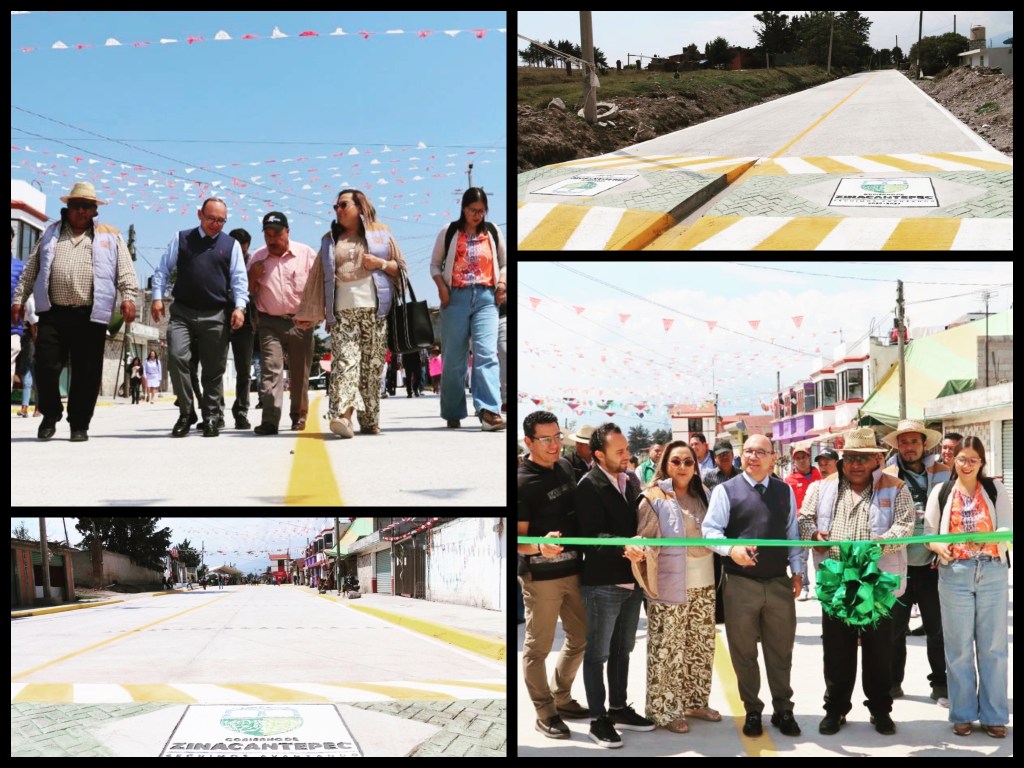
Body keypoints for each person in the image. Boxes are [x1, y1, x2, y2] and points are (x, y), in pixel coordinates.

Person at [799, 427, 915, 736]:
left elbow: (905, 526)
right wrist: (814, 535)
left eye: (863, 459)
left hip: (877, 582)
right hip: (836, 581)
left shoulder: (895, 487)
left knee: (879, 651)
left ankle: (880, 710)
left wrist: (883, 542)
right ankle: (835, 710)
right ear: (842, 460)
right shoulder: (820, 488)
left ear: (877, 459)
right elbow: (804, 520)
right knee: (837, 651)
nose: (856, 465)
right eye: (850, 458)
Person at [12, 182, 138, 442]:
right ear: (67, 208)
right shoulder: (50, 233)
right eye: (76, 206)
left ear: (94, 210)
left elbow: (125, 271)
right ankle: (50, 414)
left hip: (90, 315)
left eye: (86, 207)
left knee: (87, 372)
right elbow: (30, 270)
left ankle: (79, 423)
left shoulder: (109, 236)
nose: (81, 211)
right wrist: (18, 299)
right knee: (45, 365)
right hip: (53, 313)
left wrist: (128, 297)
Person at [702, 434, 804, 738]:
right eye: (747, 451)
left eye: (761, 452)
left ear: (773, 458)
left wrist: (797, 572)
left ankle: (784, 709)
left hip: (778, 582)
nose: (753, 456)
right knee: (743, 652)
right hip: (740, 584)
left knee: (780, 650)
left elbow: (793, 536)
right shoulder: (725, 491)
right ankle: (753, 710)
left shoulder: (785, 492)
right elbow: (710, 531)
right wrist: (731, 549)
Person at [295, 190, 406, 438]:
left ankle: (369, 420)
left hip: (376, 311)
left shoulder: (381, 233)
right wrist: (311, 313)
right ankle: (344, 416)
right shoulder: (329, 240)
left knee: (371, 367)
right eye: (336, 206)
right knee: (346, 363)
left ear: (360, 206)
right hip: (342, 312)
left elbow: (400, 269)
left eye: (343, 205)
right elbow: (317, 278)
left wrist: (380, 264)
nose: (338, 210)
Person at [626, 441, 719, 735]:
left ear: (696, 466)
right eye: (676, 461)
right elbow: (643, 543)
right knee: (667, 651)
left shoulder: (704, 494)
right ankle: (664, 710)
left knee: (700, 647)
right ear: (665, 464)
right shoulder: (653, 498)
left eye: (688, 462)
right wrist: (645, 573)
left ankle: (695, 702)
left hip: (704, 584)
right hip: (668, 586)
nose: (682, 467)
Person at [924, 436, 1011, 738]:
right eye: (962, 458)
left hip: (992, 573)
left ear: (982, 462)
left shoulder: (994, 489)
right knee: (959, 647)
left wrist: (989, 539)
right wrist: (939, 548)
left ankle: (994, 716)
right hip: (955, 575)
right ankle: (962, 714)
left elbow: (1007, 530)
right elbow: (929, 534)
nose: (967, 464)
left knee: (993, 648)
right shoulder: (941, 491)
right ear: (954, 460)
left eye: (974, 459)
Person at [575, 423, 653, 748]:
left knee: (623, 650)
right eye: (619, 451)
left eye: (626, 449)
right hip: (602, 583)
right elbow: (590, 536)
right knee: (598, 653)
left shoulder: (629, 482)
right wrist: (624, 546)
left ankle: (619, 708)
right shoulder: (588, 486)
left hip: (630, 581)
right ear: (598, 455)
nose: (626, 455)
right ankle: (599, 719)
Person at [152, 197, 248, 438]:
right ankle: (186, 412)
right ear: (199, 215)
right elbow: (163, 269)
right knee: (176, 357)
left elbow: (239, 280)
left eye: (221, 220)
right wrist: (156, 297)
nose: (216, 224)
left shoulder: (231, 245)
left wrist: (240, 307)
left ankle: (212, 416)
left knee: (213, 370)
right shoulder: (182, 238)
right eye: (211, 218)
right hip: (182, 312)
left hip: (216, 313)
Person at [880, 420, 951, 705]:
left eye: (914, 442)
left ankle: (941, 685)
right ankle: (894, 683)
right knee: (895, 631)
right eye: (904, 442)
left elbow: (951, 512)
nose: (908, 448)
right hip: (898, 565)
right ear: (898, 445)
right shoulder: (886, 474)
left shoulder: (944, 472)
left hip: (933, 565)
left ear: (925, 445)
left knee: (937, 630)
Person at [430, 188, 507, 431]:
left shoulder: (493, 231)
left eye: (481, 211)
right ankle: (453, 411)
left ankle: (489, 411)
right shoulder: (449, 231)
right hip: (455, 298)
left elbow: (505, 263)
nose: (477, 215)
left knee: (486, 354)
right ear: (463, 209)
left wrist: (502, 283)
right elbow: (434, 265)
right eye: (473, 210)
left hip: (486, 297)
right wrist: (442, 287)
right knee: (454, 359)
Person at [246, 212, 317, 435]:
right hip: (269, 322)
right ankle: (269, 419)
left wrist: (315, 316)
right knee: (270, 369)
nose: (271, 239)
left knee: (299, 372)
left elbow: (317, 289)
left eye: (276, 234)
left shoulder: (305, 254)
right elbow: (247, 292)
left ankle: (299, 416)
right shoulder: (257, 257)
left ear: (287, 232)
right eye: (267, 235)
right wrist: (252, 277)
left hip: (301, 321)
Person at [702, 440, 741, 624]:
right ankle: (718, 613)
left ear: (733, 456)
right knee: (716, 572)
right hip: (715, 531)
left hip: (737, 530)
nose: (725, 457)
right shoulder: (707, 478)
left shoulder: (742, 476)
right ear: (714, 458)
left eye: (727, 453)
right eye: (720, 454)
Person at [784, 441, 821, 602]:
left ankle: (822, 586)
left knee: (821, 555)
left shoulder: (819, 474)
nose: (801, 460)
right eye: (797, 458)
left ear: (809, 457)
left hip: (820, 522)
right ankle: (804, 586)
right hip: (801, 523)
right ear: (794, 461)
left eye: (803, 457)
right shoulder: (789, 480)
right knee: (803, 557)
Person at [227, 228, 256, 429]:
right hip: (219, 318)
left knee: (244, 370)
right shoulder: (220, 259)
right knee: (214, 368)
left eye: (245, 251)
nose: (242, 255)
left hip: (245, 322)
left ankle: (241, 411)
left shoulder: (254, 262)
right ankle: (214, 411)